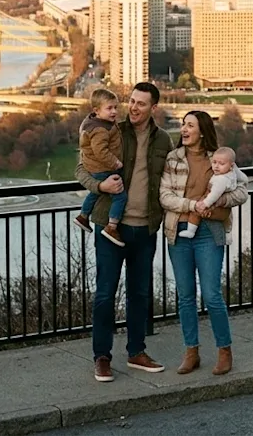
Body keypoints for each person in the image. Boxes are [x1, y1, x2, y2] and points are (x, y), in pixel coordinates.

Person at [74, 81, 173, 383]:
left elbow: (173, 180)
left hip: (145, 229)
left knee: (140, 294)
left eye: (141, 103)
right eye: (131, 101)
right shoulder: (113, 132)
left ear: (153, 108)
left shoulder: (163, 141)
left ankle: (136, 351)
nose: (133, 107)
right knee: (105, 294)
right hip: (110, 228)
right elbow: (81, 169)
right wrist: (99, 186)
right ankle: (102, 357)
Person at [159, 111, 249, 376]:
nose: (184, 130)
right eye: (183, 125)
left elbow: (242, 190)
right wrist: (192, 205)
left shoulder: (219, 158)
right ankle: (191, 351)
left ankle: (224, 350)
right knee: (185, 295)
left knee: (211, 294)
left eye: (190, 126)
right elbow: (164, 196)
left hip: (210, 232)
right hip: (179, 230)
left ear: (202, 131)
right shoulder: (173, 159)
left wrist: (219, 201)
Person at [74, 87, 127, 246]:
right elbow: (100, 151)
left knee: (94, 193)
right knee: (120, 196)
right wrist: (115, 163)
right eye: (109, 108)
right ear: (96, 110)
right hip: (103, 168)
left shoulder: (94, 123)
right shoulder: (100, 129)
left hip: (95, 169)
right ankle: (111, 226)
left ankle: (83, 216)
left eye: (115, 107)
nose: (114, 112)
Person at [177, 146, 239, 240]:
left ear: (231, 166)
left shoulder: (221, 179)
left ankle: (190, 231)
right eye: (214, 162)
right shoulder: (229, 174)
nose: (216, 166)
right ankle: (227, 233)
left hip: (212, 201)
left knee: (196, 212)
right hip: (219, 207)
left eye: (221, 164)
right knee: (224, 217)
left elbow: (215, 194)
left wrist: (205, 204)